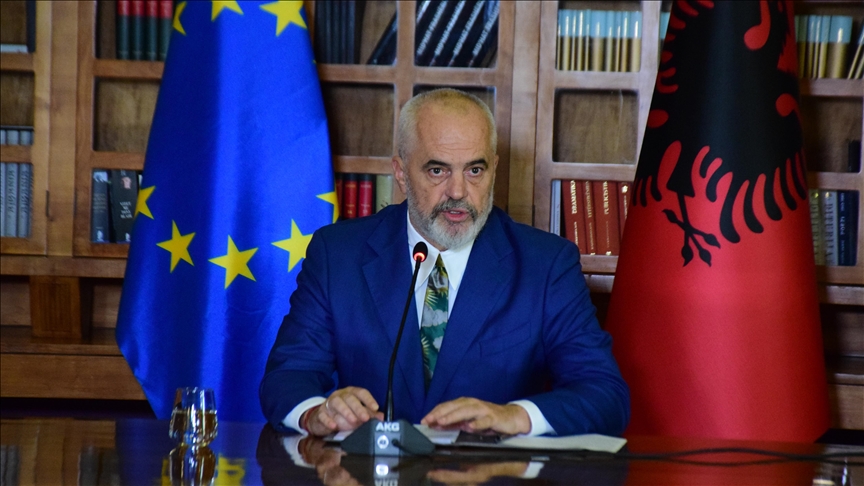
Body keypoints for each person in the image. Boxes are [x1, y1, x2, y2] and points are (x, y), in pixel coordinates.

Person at [260, 88, 629, 438]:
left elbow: (605, 394)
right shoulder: (337, 255)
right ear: (401, 173)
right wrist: (317, 412)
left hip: (490, 472)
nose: (458, 192)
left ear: (494, 168)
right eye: (437, 170)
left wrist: (515, 416)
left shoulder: (546, 265)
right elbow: (288, 375)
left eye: (475, 171)